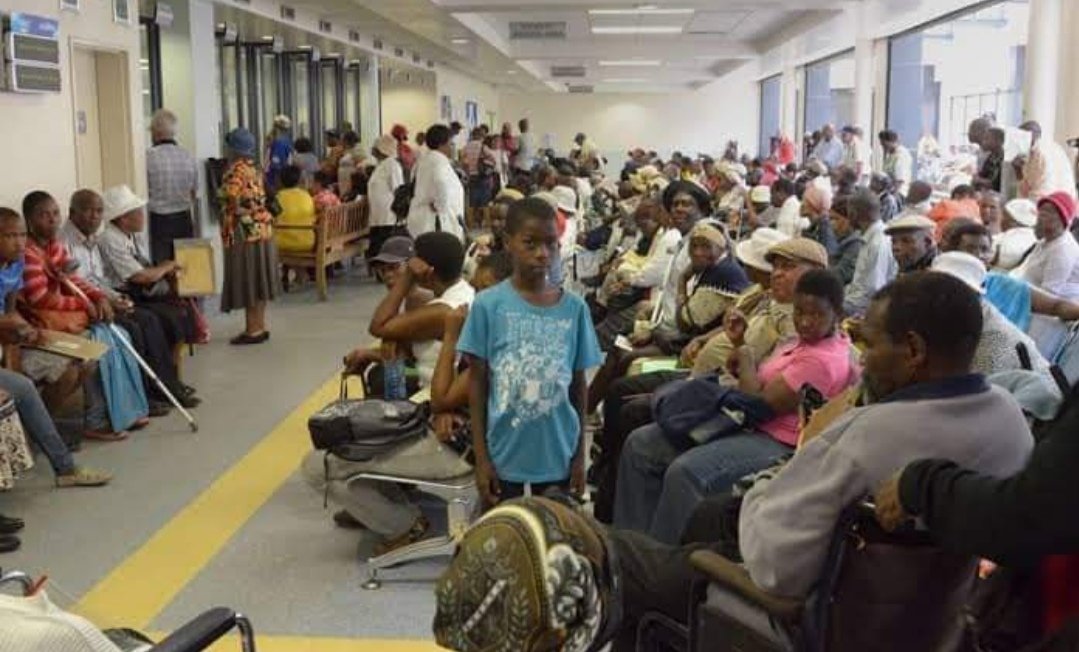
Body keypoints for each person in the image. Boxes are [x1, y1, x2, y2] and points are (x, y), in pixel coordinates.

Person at [738, 271, 1033, 599]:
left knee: (709, 524)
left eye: (871, 344)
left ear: (914, 349)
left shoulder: (868, 434)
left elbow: (776, 570)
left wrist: (760, 488)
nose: (863, 360)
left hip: (842, 616)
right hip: (954, 614)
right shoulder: (1011, 418)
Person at [615, 268, 858, 543]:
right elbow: (758, 381)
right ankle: (630, 543)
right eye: (799, 311)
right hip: (743, 421)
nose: (804, 321)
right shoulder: (798, 340)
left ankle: (660, 558)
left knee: (686, 473)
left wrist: (745, 357)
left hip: (777, 440)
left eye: (816, 315)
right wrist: (742, 349)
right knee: (642, 444)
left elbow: (759, 404)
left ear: (837, 314)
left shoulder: (822, 361)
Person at [457, 197, 602, 507]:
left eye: (551, 244)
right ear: (508, 242)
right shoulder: (488, 306)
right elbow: (478, 383)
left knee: (552, 529)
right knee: (504, 529)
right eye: (530, 243)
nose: (542, 253)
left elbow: (578, 385)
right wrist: (481, 458)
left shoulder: (574, 309)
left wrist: (580, 456)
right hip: (504, 451)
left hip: (558, 452)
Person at [21, 190, 147, 441]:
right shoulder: (29, 254)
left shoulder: (53, 246)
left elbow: (75, 279)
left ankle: (119, 411)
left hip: (63, 321)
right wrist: (82, 304)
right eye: (44, 215)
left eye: (55, 213)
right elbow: (40, 298)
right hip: (45, 327)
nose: (52, 220)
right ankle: (93, 420)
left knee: (118, 337)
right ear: (30, 220)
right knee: (98, 347)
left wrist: (98, 297)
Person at [0, 208, 111, 489]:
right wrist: (15, 328)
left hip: (9, 342)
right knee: (25, 387)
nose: (19, 242)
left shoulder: (15, 265)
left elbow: (10, 311)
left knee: (85, 358)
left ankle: (50, 450)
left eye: (21, 235)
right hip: (8, 342)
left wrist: (24, 330)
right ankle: (63, 465)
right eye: (10, 236)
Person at [63, 190, 198, 411]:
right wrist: (112, 298)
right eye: (88, 211)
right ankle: (150, 394)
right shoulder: (73, 242)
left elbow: (98, 280)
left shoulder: (96, 240)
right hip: (90, 304)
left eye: (99, 211)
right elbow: (78, 284)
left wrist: (116, 298)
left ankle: (167, 386)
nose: (95, 216)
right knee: (144, 323)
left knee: (172, 315)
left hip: (109, 296)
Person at [368, 232, 475, 390]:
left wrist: (407, 278)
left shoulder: (444, 309)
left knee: (380, 377)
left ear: (427, 270)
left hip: (432, 391)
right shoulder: (464, 291)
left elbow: (378, 326)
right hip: (434, 379)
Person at [945, 220, 1079, 332]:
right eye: (970, 248)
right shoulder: (942, 284)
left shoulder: (1004, 286)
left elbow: (1056, 306)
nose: (978, 255)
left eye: (984, 250)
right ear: (954, 252)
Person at [219, 128, 280, 345]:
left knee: (249, 277)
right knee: (260, 277)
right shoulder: (256, 169)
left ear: (233, 149)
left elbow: (231, 198)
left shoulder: (235, 171)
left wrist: (234, 209)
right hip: (263, 228)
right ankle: (260, 326)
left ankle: (252, 330)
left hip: (245, 231)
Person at [145, 109, 198, 266]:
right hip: (184, 218)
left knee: (163, 267)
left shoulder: (148, 157)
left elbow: (144, 191)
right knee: (185, 265)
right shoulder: (188, 156)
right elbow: (194, 191)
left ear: (155, 132)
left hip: (159, 220)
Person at [1012, 192, 1079, 301]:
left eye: (1049, 211)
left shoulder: (1063, 249)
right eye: (1041, 211)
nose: (1041, 215)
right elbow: (1025, 272)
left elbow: (1047, 296)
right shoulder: (1044, 241)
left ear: (1062, 219)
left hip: (1052, 307)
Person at [843, 188, 897, 316]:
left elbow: (872, 292)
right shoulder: (872, 237)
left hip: (864, 310)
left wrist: (840, 305)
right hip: (855, 301)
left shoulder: (877, 243)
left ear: (853, 214)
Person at [407, 124, 465, 241]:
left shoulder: (428, 159)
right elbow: (441, 184)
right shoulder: (437, 161)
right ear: (441, 145)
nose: (452, 147)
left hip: (429, 219)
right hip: (437, 222)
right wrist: (440, 205)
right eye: (450, 143)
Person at [366, 134, 405, 262]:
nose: (372, 149)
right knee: (376, 244)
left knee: (383, 245)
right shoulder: (381, 164)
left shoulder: (392, 165)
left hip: (388, 215)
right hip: (378, 215)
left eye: (375, 147)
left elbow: (398, 189)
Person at [1017, 120, 1078, 200]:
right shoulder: (1056, 147)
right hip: (1068, 202)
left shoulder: (1036, 151)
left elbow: (1027, 190)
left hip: (1045, 202)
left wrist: (1018, 172)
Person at [272, 165, 318, 253]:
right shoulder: (307, 196)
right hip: (308, 243)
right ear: (298, 181)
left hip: (283, 244)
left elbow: (272, 218)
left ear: (281, 181)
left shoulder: (277, 198)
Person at [994, 198, 1039, 271]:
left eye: (1004, 216)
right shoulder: (1038, 240)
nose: (1000, 219)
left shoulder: (1002, 241)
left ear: (1013, 221)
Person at [828, 194, 863, 285]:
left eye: (835, 219)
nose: (831, 224)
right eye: (830, 219)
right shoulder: (844, 240)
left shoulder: (856, 243)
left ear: (850, 219)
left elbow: (840, 274)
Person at [800, 183, 835, 255]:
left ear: (814, 204)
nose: (801, 205)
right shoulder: (815, 226)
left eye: (805, 201)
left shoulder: (823, 227)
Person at [264, 114, 293, 193]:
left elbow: (276, 166)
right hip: (280, 181)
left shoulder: (279, 144)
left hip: (274, 182)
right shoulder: (286, 142)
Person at [879, 129, 913, 195]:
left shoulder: (901, 155)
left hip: (898, 193)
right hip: (889, 191)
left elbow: (900, 180)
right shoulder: (891, 155)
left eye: (884, 144)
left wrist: (894, 195)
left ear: (891, 141)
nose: (883, 147)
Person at [974, 127, 1006, 192]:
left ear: (998, 141)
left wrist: (978, 180)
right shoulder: (992, 155)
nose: (983, 142)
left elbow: (993, 184)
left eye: (986, 138)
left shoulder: (1002, 159)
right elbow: (982, 174)